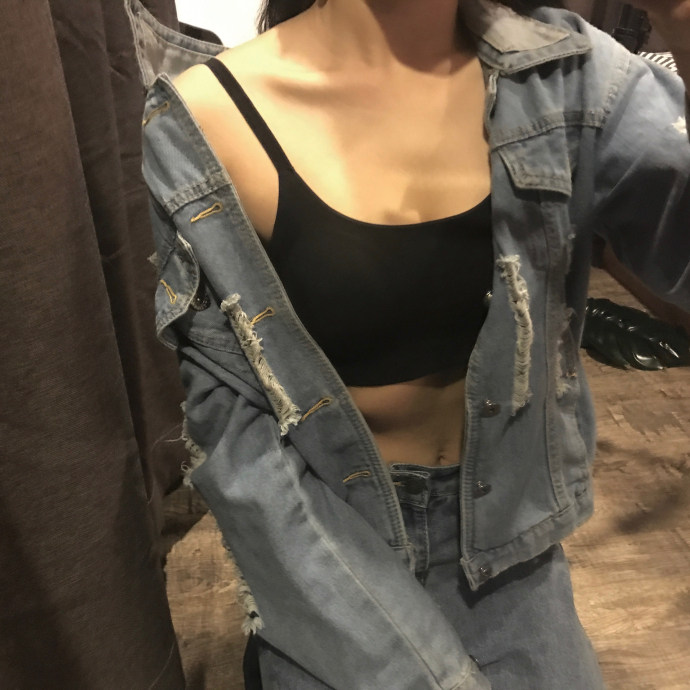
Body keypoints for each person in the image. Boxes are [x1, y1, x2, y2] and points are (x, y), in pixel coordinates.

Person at [135, 0, 690, 687]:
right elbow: (233, 437)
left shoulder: (568, 76)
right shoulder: (204, 118)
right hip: (329, 551)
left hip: (513, 547)